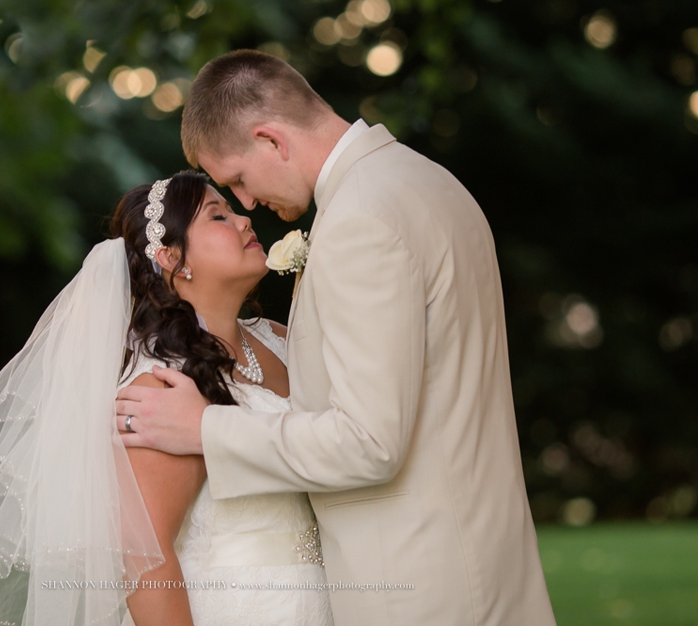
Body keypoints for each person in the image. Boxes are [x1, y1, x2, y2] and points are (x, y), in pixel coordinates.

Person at [115, 50, 557, 625]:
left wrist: (204, 426)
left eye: (239, 181)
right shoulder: (429, 181)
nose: (248, 207)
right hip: (483, 560)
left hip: (418, 586)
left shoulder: (359, 220)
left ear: (271, 140)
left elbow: (370, 442)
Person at [0, 170, 333, 626]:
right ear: (173, 258)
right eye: (219, 216)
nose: (245, 219)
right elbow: (143, 561)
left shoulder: (282, 341)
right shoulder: (161, 389)